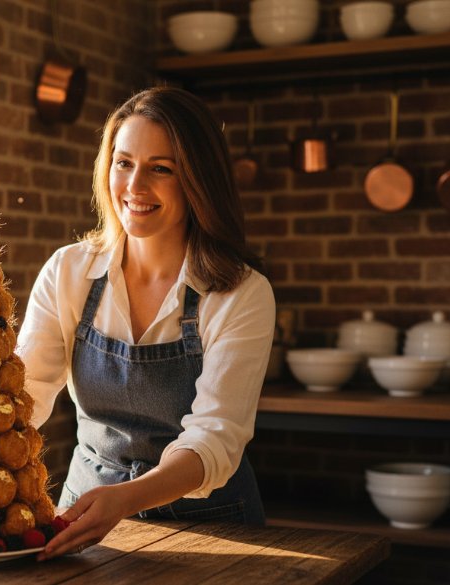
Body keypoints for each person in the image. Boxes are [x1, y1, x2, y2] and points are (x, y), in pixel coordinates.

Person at [22, 86, 275, 561]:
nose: (135, 186)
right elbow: (21, 395)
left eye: (161, 168)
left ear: (197, 180)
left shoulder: (241, 292)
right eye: (123, 163)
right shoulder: (69, 271)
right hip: (84, 514)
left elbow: (216, 434)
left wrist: (128, 498)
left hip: (214, 529)